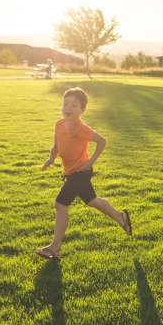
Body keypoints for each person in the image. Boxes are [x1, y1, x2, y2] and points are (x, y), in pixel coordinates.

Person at [36, 87, 131, 259]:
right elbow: (56, 146)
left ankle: (55, 248)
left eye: (74, 105)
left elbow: (102, 141)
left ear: (82, 110)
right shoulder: (58, 125)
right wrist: (51, 159)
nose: (68, 108)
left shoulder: (81, 128)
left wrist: (90, 162)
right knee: (92, 201)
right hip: (70, 173)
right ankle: (121, 217)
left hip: (81, 172)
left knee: (60, 204)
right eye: (66, 104)